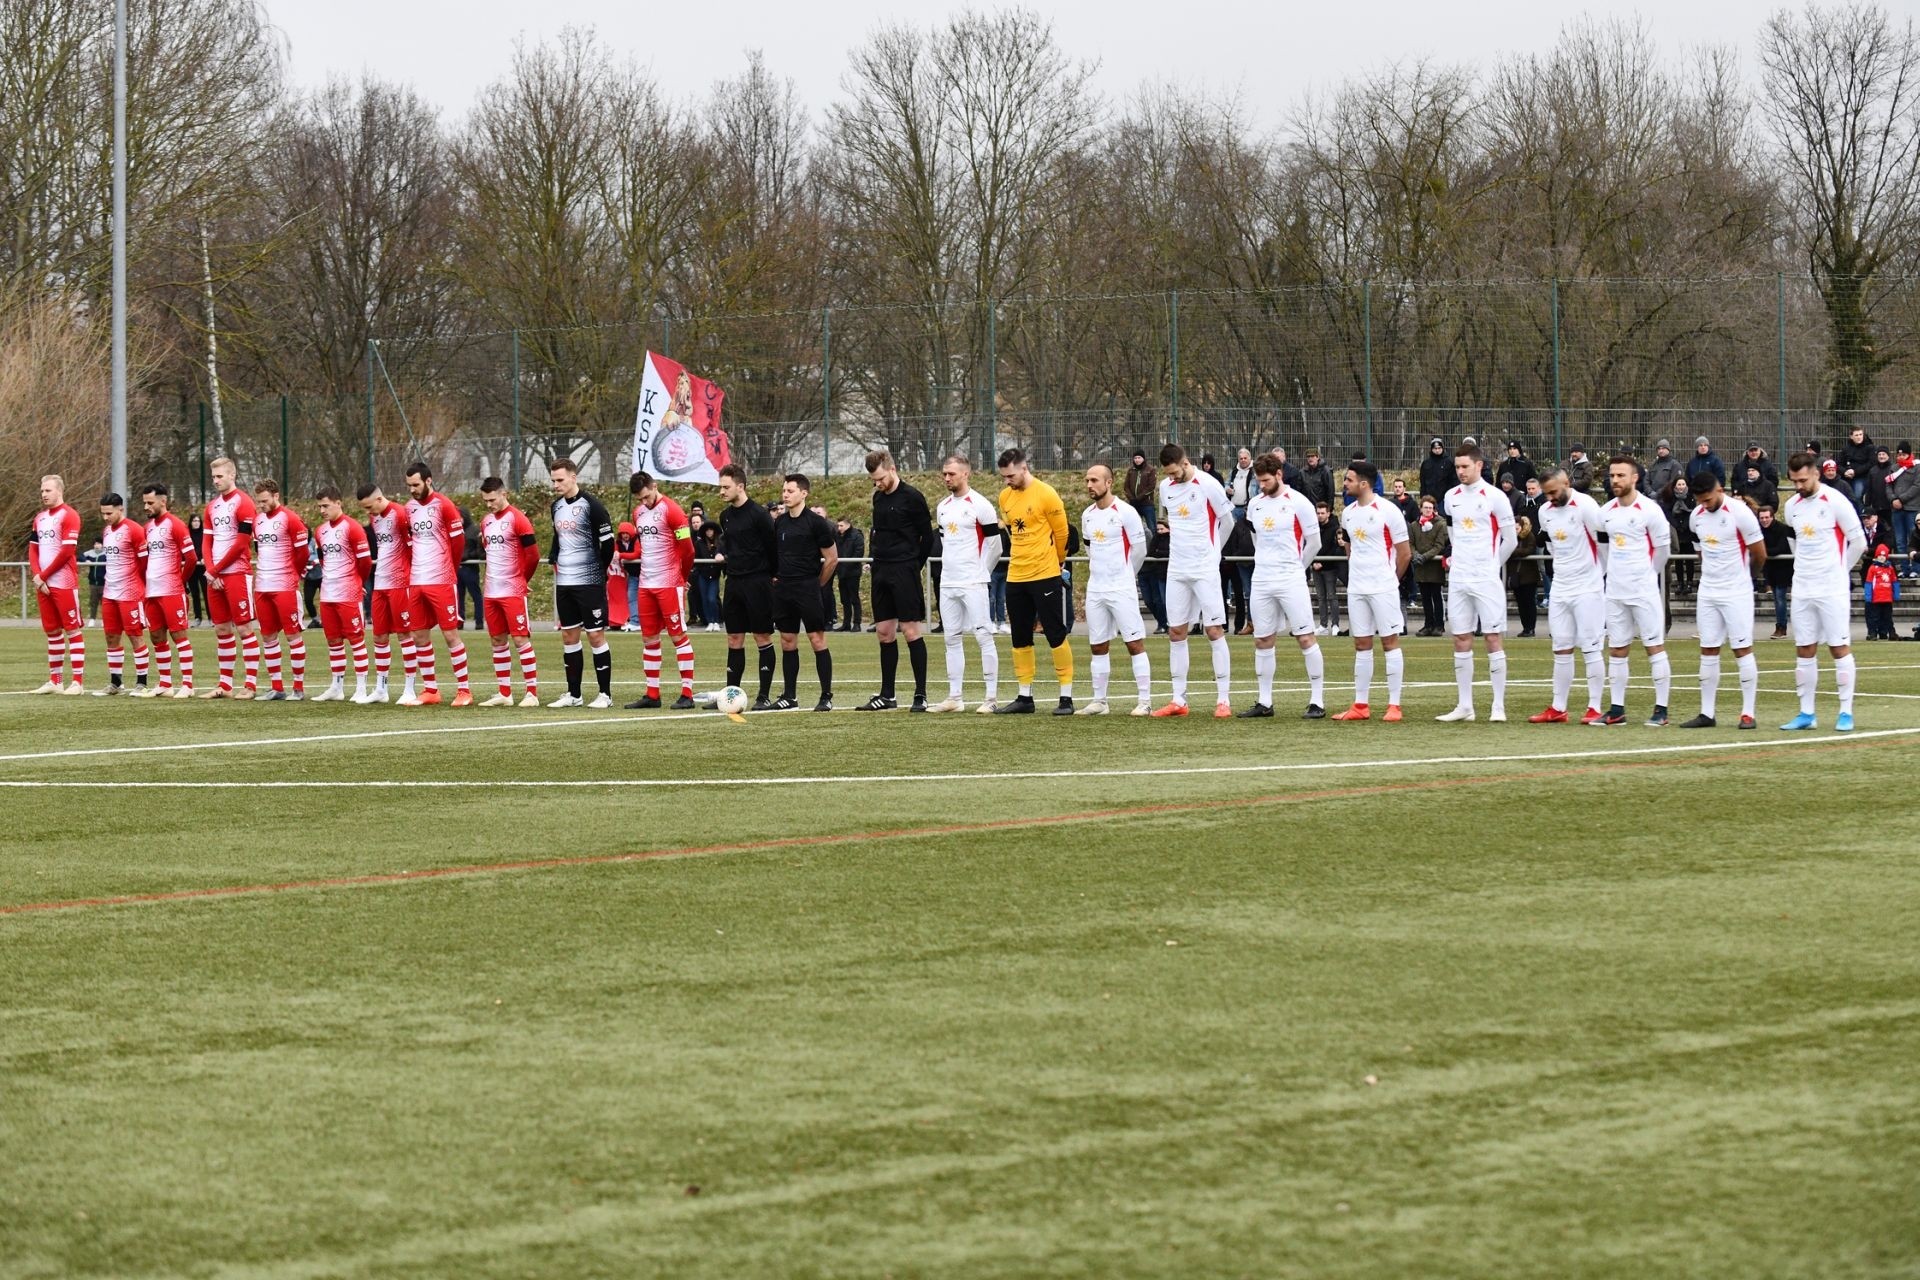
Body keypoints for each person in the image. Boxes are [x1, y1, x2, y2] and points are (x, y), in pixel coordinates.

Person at [1779, 451, 1867, 731]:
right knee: (1804, 649)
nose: (1798, 486)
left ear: (1815, 473)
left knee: (1838, 647)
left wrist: (1840, 571)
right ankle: (1807, 713)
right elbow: (1796, 542)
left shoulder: (1836, 501)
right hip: (1803, 588)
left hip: (1831, 588)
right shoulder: (1792, 505)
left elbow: (1858, 542)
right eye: (1794, 481)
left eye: (1803, 480)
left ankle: (1845, 712)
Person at [1235, 453, 1324, 719]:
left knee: (1305, 637)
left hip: (1290, 578)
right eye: (1259, 480)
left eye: (1265, 480)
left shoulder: (1299, 502)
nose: (1261, 485)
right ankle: (1264, 702)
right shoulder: (1255, 505)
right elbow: (1255, 538)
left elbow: (1314, 542)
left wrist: (1298, 567)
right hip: (1262, 579)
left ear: (1279, 475)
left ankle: (1317, 701)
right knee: (1262, 639)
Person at [1151, 443, 1235, 717]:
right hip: (1177, 568)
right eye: (1169, 474)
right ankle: (1179, 700)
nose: (1172, 478)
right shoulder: (1165, 487)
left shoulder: (1208, 484)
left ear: (1185, 463)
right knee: (1176, 632)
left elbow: (1228, 522)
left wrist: (1214, 554)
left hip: (1204, 568)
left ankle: (1223, 699)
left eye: (1175, 472)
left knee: (1213, 630)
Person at [1436, 444, 1517, 721]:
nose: (1460, 472)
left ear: (1478, 465)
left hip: (1486, 577)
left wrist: (1492, 566)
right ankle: (1465, 706)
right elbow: (1452, 532)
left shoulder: (1495, 497)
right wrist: (1460, 561)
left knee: (1493, 638)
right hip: (1459, 578)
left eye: (1465, 467)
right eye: (1457, 467)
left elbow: (1511, 539)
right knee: (1461, 638)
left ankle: (1498, 706)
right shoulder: (1450, 497)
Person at [1681, 471, 1765, 729]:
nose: (1704, 505)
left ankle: (1747, 713)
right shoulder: (1696, 517)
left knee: (1741, 649)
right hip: (1708, 591)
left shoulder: (1740, 513)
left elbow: (1759, 554)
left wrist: (1744, 579)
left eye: (1707, 499)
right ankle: (1707, 713)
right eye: (1700, 501)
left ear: (1719, 490)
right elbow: (1701, 552)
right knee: (1708, 649)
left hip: (1736, 591)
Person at [993, 447, 1074, 714]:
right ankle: (1024, 697)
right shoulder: (1005, 496)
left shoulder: (1046, 494)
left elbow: (1062, 534)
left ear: (1024, 468)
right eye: (1004, 476)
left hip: (1045, 574)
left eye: (1011, 475)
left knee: (1054, 633)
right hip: (1016, 575)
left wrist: (1058, 562)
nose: (1008, 481)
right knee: (1019, 636)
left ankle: (1066, 697)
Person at [1596, 455, 1673, 726]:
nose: (1615, 480)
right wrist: (1616, 576)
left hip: (1644, 591)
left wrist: (1646, 576)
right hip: (1615, 592)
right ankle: (1617, 710)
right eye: (1612, 475)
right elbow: (1604, 551)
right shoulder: (1605, 513)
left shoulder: (1650, 510)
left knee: (1654, 647)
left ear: (1634, 478)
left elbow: (1663, 552)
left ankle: (1661, 710)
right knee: (1617, 650)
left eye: (1620, 475)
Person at [1331, 461, 1410, 721]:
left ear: (1364, 483)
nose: (1345, 484)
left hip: (1383, 586)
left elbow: (1404, 553)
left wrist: (1391, 580)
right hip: (1357, 588)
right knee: (1361, 644)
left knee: (1389, 642)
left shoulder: (1389, 511)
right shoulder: (1349, 513)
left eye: (1349, 480)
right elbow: (1351, 548)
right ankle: (1361, 706)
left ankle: (1394, 705)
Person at [1529, 468, 1608, 724]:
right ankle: (1558, 707)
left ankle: (1594, 707)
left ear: (1566, 482)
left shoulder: (1586, 506)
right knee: (1561, 647)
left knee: (1591, 646)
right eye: (1546, 493)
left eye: (1553, 491)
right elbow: (1553, 546)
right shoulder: (1544, 511)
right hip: (1561, 587)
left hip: (1588, 586)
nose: (1550, 497)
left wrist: (1598, 575)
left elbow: (1603, 546)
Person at [860, 450, 934, 711]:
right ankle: (887, 695)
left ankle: (920, 694)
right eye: (873, 480)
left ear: (891, 469)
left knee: (911, 631)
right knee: (883, 632)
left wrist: (914, 564)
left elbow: (928, 537)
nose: (877, 483)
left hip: (905, 570)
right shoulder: (878, 497)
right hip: (881, 569)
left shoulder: (912, 497)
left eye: (880, 478)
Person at [929, 454, 1002, 713]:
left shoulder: (980, 505)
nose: (947, 478)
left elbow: (995, 545)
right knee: (951, 638)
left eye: (952, 474)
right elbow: (945, 540)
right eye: (944, 474)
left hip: (974, 582)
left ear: (965, 474)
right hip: (948, 581)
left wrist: (982, 571)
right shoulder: (943, 506)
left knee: (983, 635)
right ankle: (955, 697)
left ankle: (991, 699)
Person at [1078, 464, 1153, 716]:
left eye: (1095, 480)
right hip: (1096, 589)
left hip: (1121, 587)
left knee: (1133, 643)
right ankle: (1100, 701)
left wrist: (1124, 574)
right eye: (1087, 480)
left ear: (1109, 482)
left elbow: (1139, 549)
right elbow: (1089, 548)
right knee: (1098, 645)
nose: (1090, 485)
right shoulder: (1087, 515)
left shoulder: (1126, 512)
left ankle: (1144, 701)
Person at [622, 471, 697, 710]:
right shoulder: (638, 514)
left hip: (669, 583)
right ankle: (652, 694)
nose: (644, 502)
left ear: (654, 486)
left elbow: (689, 550)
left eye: (646, 496)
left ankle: (687, 693)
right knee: (649, 639)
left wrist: (682, 579)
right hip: (646, 585)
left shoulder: (673, 511)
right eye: (640, 499)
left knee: (677, 637)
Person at [399, 462, 473, 707]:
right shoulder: (409, 508)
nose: (412, 489)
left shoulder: (444, 505)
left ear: (429, 481)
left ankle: (464, 690)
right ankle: (431, 689)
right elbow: (409, 542)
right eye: (409, 485)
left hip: (441, 580)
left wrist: (450, 569)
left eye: (416, 484)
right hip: (417, 581)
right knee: (418, 635)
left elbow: (458, 542)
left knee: (450, 634)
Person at [546, 458, 615, 708]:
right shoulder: (555, 507)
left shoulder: (592, 506)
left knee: (595, 635)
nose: (556, 485)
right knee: (568, 636)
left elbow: (608, 544)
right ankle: (574, 695)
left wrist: (599, 570)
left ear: (574, 477)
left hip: (589, 582)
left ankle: (605, 695)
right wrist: (554, 555)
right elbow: (558, 538)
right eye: (553, 480)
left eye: (560, 480)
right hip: (565, 582)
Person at [707, 465, 778, 709]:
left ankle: (763, 696)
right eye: (721, 487)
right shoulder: (725, 516)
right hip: (734, 582)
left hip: (758, 582)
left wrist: (772, 576)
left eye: (726, 487)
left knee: (761, 636)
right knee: (734, 638)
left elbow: (772, 548)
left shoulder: (759, 514)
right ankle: (730, 695)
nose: (722, 492)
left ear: (741, 486)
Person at [771, 474, 837, 711]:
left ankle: (826, 696)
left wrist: (816, 584)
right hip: (784, 589)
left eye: (790, 491)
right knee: (787, 641)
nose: (785, 495)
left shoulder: (816, 522)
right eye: (784, 491)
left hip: (807, 587)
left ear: (804, 493)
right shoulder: (780, 522)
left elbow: (831, 559)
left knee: (816, 639)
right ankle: (790, 696)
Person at [475, 476, 541, 707]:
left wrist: (523, 580)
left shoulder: (518, 519)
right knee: (497, 640)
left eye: (492, 499)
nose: (489, 504)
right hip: (491, 591)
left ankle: (531, 693)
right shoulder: (486, 522)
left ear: (504, 494)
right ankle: (504, 693)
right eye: (485, 500)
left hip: (512, 590)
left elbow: (532, 555)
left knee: (520, 638)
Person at [198, 456, 261, 697]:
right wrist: (211, 571)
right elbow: (207, 541)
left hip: (237, 573)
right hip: (214, 576)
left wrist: (214, 570)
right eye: (213, 477)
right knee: (222, 629)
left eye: (220, 476)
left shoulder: (244, 502)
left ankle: (251, 686)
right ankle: (224, 685)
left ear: (232, 475)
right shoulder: (211, 506)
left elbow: (242, 542)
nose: (216, 481)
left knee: (244, 628)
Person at [310, 487, 375, 703]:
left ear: (339, 503)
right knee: (333, 641)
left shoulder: (353, 528)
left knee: (356, 640)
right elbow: (323, 559)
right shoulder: (320, 531)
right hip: (328, 594)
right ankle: (336, 687)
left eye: (326, 505)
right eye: (319, 506)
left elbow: (365, 562)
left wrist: (358, 582)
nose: (322, 510)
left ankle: (361, 688)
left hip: (348, 593)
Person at [249, 479, 311, 700]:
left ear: (276, 496)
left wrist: (295, 573)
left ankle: (298, 688)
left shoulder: (290, 519)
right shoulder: (258, 521)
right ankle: (277, 687)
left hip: (284, 587)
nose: (261, 505)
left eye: (265, 500)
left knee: (293, 635)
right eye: (259, 501)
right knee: (268, 636)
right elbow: (259, 548)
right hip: (263, 587)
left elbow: (302, 552)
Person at [355, 483, 417, 703]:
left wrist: (412, 578)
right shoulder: (375, 518)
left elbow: (412, 548)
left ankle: (410, 688)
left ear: (379, 499)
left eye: (369, 507)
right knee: (379, 635)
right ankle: (381, 689)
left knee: (405, 635)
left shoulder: (401, 515)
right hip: (380, 582)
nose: (368, 512)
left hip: (401, 582)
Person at [137, 483, 196, 697]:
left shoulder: (176, 525)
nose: (146, 506)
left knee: (179, 634)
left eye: (150, 502)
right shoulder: (147, 528)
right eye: (144, 502)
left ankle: (188, 685)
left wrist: (180, 582)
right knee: (156, 636)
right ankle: (165, 683)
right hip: (152, 592)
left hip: (171, 591)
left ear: (163, 501)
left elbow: (191, 558)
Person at [28, 475, 86, 694]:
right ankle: (56, 681)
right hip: (42, 583)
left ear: (59, 491)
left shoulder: (70, 515)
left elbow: (67, 551)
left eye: (48, 490)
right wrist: (37, 575)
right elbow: (33, 549)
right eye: (42, 490)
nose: (44, 494)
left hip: (63, 581)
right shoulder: (40, 518)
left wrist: (44, 575)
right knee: (52, 632)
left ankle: (77, 682)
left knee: (72, 629)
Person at [93, 493, 150, 695]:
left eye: (109, 513)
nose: (106, 517)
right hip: (110, 593)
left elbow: (145, 564)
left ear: (120, 509)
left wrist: (141, 588)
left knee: (135, 635)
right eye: (103, 513)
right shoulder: (107, 530)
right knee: (111, 637)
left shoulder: (134, 530)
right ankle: (115, 683)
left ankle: (142, 683)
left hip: (130, 592)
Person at [1409, 496, 1449, 636]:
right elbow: (1411, 543)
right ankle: (1428, 624)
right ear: (1421, 508)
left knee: (1436, 596)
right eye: (1425, 507)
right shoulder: (1414, 525)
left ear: (1434, 509)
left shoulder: (1440, 524)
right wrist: (1415, 555)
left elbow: (1439, 545)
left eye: (1430, 508)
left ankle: (1439, 625)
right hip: (1421, 566)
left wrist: (1424, 557)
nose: (1427, 510)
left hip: (1434, 565)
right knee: (1425, 597)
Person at [1758, 503, 1793, 639]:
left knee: (1780, 598)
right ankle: (1780, 625)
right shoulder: (1759, 530)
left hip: (1783, 568)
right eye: (1762, 518)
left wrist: (1762, 551)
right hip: (1770, 568)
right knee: (1776, 598)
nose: (1764, 520)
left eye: (1767, 517)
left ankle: (1781, 627)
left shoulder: (1782, 529)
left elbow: (1781, 548)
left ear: (1772, 517)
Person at [1308, 500, 1343, 635]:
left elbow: (1334, 548)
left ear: (1328, 513)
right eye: (1318, 513)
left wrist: (1322, 562)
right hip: (1316, 566)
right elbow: (1310, 545)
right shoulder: (1313, 527)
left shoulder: (1334, 528)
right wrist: (1313, 562)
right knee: (1320, 597)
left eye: (1323, 513)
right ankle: (1323, 625)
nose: (1320, 515)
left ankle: (1335, 625)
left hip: (1329, 567)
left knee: (1331, 596)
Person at [1221, 509, 1254, 635]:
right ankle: (1223, 624)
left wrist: (1234, 557)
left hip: (1236, 563)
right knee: (1222, 595)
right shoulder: (1237, 525)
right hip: (1226, 563)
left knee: (1242, 595)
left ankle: (1240, 625)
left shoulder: (1239, 525)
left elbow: (1235, 544)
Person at [1508, 513, 1540, 637]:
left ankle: (1530, 627)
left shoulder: (1529, 536)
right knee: (1521, 603)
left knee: (1529, 603)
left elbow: (1529, 550)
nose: (1515, 531)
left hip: (1528, 576)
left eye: (1516, 528)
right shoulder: (1511, 538)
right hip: (1516, 576)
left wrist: (1513, 551)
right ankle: (1525, 627)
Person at [1666, 476, 1696, 599]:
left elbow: (1693, 513)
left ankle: (1689, 582)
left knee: (1689, 560)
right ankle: (1680, 582)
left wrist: (1686, 524)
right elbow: (1669, 514)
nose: (1681, 487)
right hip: (1677, 532)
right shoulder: (1671, 499)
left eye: (1683, 484)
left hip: (1688, 532)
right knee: (1678, 560)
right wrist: (1676, 525)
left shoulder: (1691, 499)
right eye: (1679, 484)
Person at [455, 502, 483, 629]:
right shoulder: (455, 530)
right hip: (458, 569)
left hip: (470, 568)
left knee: (475, 595)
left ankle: (479, 621)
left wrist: (466, 556)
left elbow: (478, 550)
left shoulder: (474, 530)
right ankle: (460, 621)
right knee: (459, 596)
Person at [834, 518, 864, 631]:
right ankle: (846, 623)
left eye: (841, 525)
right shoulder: (837, 536)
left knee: (854, 598)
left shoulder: (856, 535)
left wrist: (846, 565)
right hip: (842, 571)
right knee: (844, 599)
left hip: (853, 572)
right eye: (838, 526)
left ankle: (857, 623)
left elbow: (859, 552)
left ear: (848, 525)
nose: (839, 528)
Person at [694, 518, 723, 631]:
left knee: (712, 598)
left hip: (714, 575)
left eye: (711, 530)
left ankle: (716, 621)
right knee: (704, 598)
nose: (709, 532)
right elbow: (696, 558)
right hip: (703, 574)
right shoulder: (699, 543)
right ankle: (709, 621)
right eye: (707, 530)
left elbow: (723, 555)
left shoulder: (720, 543)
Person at [1864, 544, 1898, 639]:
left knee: (1887, 617)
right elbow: (1868, 583)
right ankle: (1872, 633)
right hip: (1876, 598)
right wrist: (1868, 596)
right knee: (1875, 617)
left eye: (1884, 555)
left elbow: (1894, 581)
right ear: (1876, 556)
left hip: (1887, 598)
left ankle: (1886, 633)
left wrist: (1896, 594)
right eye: (1880, 555)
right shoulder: (1872, 568)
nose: (1882, 557)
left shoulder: (1890, 568)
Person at [1142, 519, 1170, 633]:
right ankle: (1163, 623)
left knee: (1161, 601)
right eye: (1158, 529)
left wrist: (1159, 552)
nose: (1159, 531)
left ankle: (1166, 624)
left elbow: (1169, 551)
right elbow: (1152, 551)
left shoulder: (1148, 533)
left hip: (1159, 571)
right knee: (1149, 601)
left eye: (1162, 529)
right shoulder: (1156, 537)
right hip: (1151, 571)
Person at [1838, 426, 1876, 506]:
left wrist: (1855, 472)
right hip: (1846, 477)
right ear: (1851, 436)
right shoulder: (1846, 449)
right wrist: (1845, 472)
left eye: (1860, 434)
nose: (1859, 437)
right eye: (1856, 435)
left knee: (1857, 496)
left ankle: (1859, 515)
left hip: (1862, 477)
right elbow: (1838, 464)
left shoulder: (1869, 447)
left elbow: (1871, 463)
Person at [614, 521, 641, 630]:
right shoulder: (618, 542)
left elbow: (637, 554)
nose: (625, 535)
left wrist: (621, 555)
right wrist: (618, 555)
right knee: (632, 598)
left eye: (626, 533)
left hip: (645, 574)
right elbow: (615, 553)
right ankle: (635, 622)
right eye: (622, 533)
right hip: (633, 575)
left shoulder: (636, 540)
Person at [1123, 449, 1157, 532]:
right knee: (1133, 528)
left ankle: (1154, 544)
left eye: (1139, 458)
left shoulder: (1150, 470)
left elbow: (1151, 487)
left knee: (1152, 527)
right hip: (1133, 504)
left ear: (1143, 459)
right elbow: (1126, 487)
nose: (1137, 460)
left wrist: (1139, 498)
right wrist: (1131, 499)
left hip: (1147, 504)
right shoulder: (1131, 470)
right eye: (1135, 458)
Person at [185, 511, 207, 624]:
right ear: (191, 522)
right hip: (192, 567)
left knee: (206, 591)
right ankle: (198, 617)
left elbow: (207, 547)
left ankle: (211, 618)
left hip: (202, 566)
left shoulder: (204, 534)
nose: (196, 523)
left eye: (198, 521)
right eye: (194, 521)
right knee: (195, 593)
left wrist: (204, 558)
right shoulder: (187, 534)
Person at [1418, 437, 1454, 504]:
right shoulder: (1426, 463)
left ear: (1442, 448)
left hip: (1444, 498)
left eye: (1439, 448)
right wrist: (1423, 496)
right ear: (1431, 449)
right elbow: (1422, 482)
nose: (1437, 450)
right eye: (1435, 448)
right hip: (1429, 498)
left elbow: (1452, 481)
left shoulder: (1448, 462)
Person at [1226, 447, 1255, 519]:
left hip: (1248, 509)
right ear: (1238, 460)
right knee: (1233, 529)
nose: (1243, 460)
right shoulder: (1233, 471)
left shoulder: (1255, 471)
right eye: (1241, 458)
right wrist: (1227, 489)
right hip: (1233, 508)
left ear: (1249, 458)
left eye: (1245, 458)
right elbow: (1226, 484)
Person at [82, 539, 105, 622]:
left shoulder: (106, 554)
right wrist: (86, 560)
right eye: (95, 544)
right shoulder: (90, 553)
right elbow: (81, 556)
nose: (97, 545)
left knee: (104, 603)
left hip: (104, 583)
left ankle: (104, 620)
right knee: (93, 602)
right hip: (93, 583)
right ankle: (92, 619)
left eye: (99, 544)